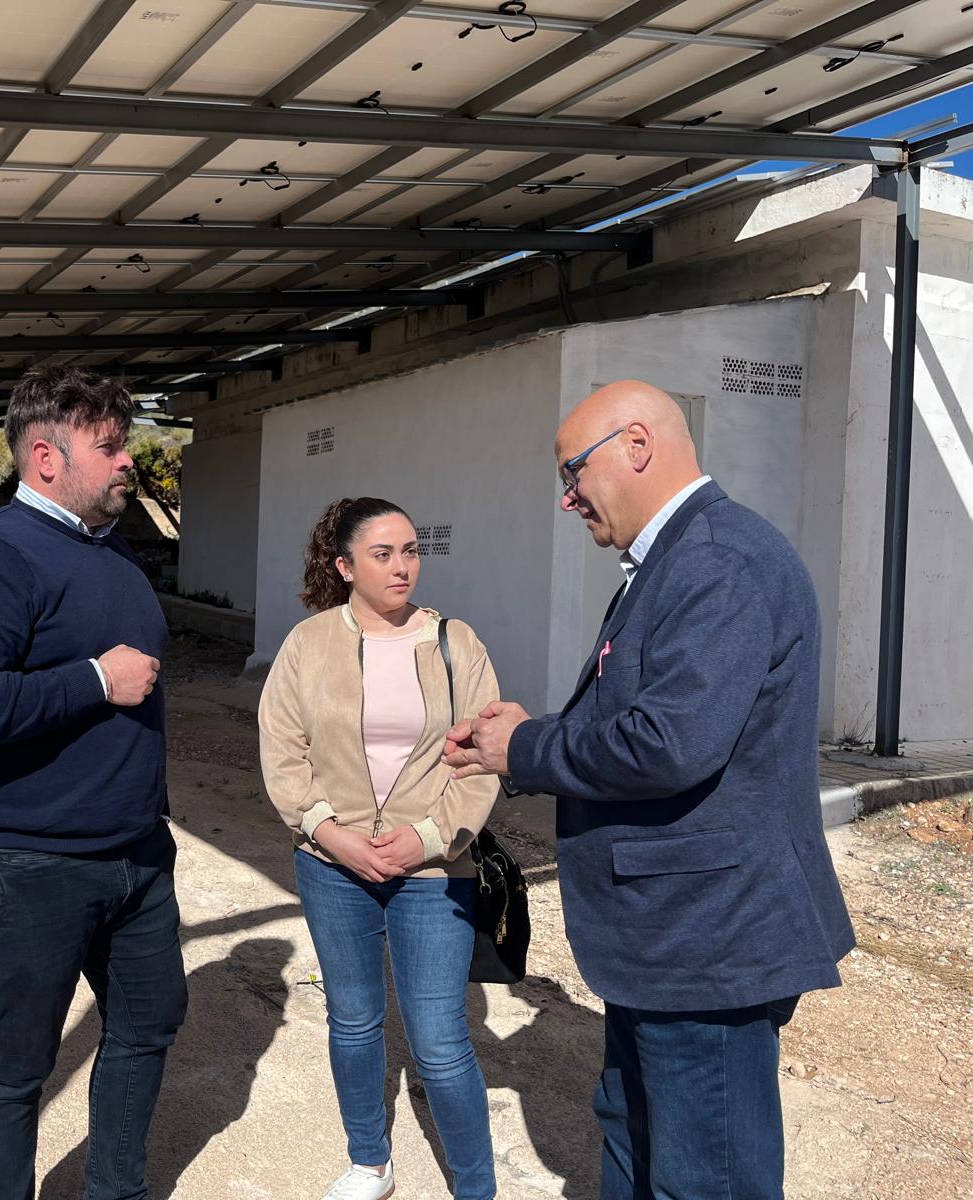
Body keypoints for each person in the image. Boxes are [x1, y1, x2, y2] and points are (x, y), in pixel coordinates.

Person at [444, 380, 856, 1200]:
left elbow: (669, 745)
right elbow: (655, 714)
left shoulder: (718, 562)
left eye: (573, 473)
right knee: (634, 1135)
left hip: (706, 941)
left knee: (704, 1178)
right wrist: (537, 731)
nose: (568, 499)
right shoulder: (679, 558)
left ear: (636, 445)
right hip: (665, 942)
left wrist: (525, 746)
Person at [0, 366, 186, 1200]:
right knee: (15, 1070)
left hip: (136, 856)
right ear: (45, 456)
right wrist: (95, 682)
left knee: (149, 1025)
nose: (126, 462)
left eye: (124, 445)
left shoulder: (114, 560)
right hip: (24, 860)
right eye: (108, 448)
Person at [259, 497, 503, 1200]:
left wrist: (425, 839)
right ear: (344, 566)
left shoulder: (458, 643)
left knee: (440, 1040)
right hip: (333, 868)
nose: (402, 567)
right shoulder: (307, 645)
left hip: (434, 870)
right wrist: (332, 834)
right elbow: (284, 754)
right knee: (356, 1020)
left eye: (410, 551)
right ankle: (370, 1161)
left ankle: (476, 1188)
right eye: (383, 554)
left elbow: (483, 758)